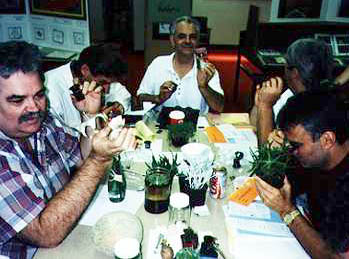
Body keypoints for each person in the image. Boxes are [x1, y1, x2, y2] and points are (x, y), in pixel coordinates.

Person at [0, 41, 136, 258]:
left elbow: (81, 156)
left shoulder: (43, 123)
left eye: (39, 95)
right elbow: (45, 233)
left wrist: (91, 115)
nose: (34, 107)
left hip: (67, 232)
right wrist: (99, 160)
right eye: (17, 100)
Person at [255, 91, 349, 258]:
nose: (291, 150)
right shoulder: (314, 156)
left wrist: (287, 212)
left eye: (295, 145)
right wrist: (274, 153)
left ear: (327, 140)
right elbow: (271, 180)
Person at [250, 38, 334, 144]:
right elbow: (254, 126)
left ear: (294, 73)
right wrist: (259, 106)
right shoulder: (290, 94)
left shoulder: (309, 112)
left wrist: (265, 107)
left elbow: (268, 155)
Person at [137, 16, 224, 114]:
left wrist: (204, 87)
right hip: (158, 126)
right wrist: (157, 98)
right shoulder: (158, 64)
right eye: (181, 36)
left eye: (192, 37)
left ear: (197, 41)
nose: (187, 41)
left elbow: (219, 107)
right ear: (172, 40)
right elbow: (139, 99)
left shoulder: (207, 70)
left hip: (196, 127)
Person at [45, 43, 131, 137]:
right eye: (102, 82)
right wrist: (95, 117)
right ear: (85, 70)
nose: (106, 90)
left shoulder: (97, 75)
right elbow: (66, 137)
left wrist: (118, 107)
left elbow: (123, 94)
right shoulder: (51, 88)